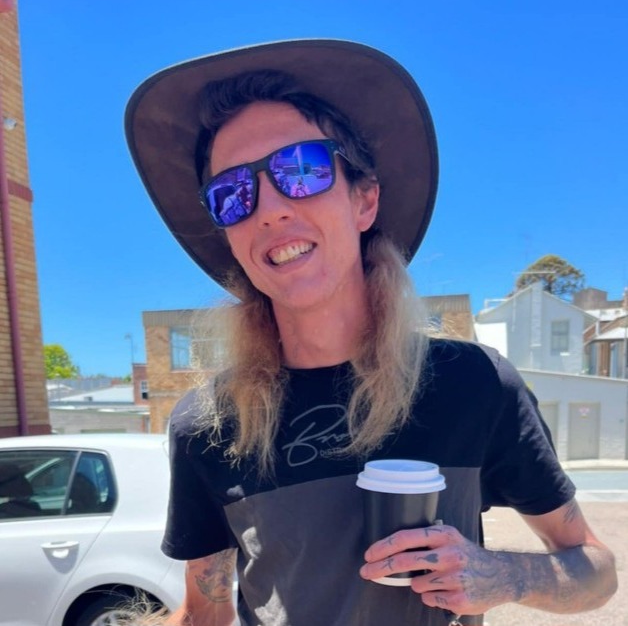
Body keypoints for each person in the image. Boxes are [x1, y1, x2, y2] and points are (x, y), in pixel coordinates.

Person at [125, 40, 617, 626]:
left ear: (364, 201)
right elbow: (204, 614)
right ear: (230, 237)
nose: (269, 208)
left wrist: (501, 575)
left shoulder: (475, 384)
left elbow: (596, 571)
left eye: (301, 170)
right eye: (233, 194)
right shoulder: (209, 424)